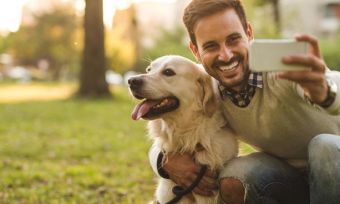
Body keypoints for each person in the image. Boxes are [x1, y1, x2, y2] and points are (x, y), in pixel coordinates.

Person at [148, 0, 340, 203]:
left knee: (324, 147)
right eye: (211, 46)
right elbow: (169, 134)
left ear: (248, 33)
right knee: (238, 174)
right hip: (288, 177)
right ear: (195, 50)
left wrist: (325, 91)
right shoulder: (205, 89)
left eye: (233, 39)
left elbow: (331, 81)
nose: (226, 55)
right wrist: (164, 161)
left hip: (334, 162)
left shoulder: (282, 68)